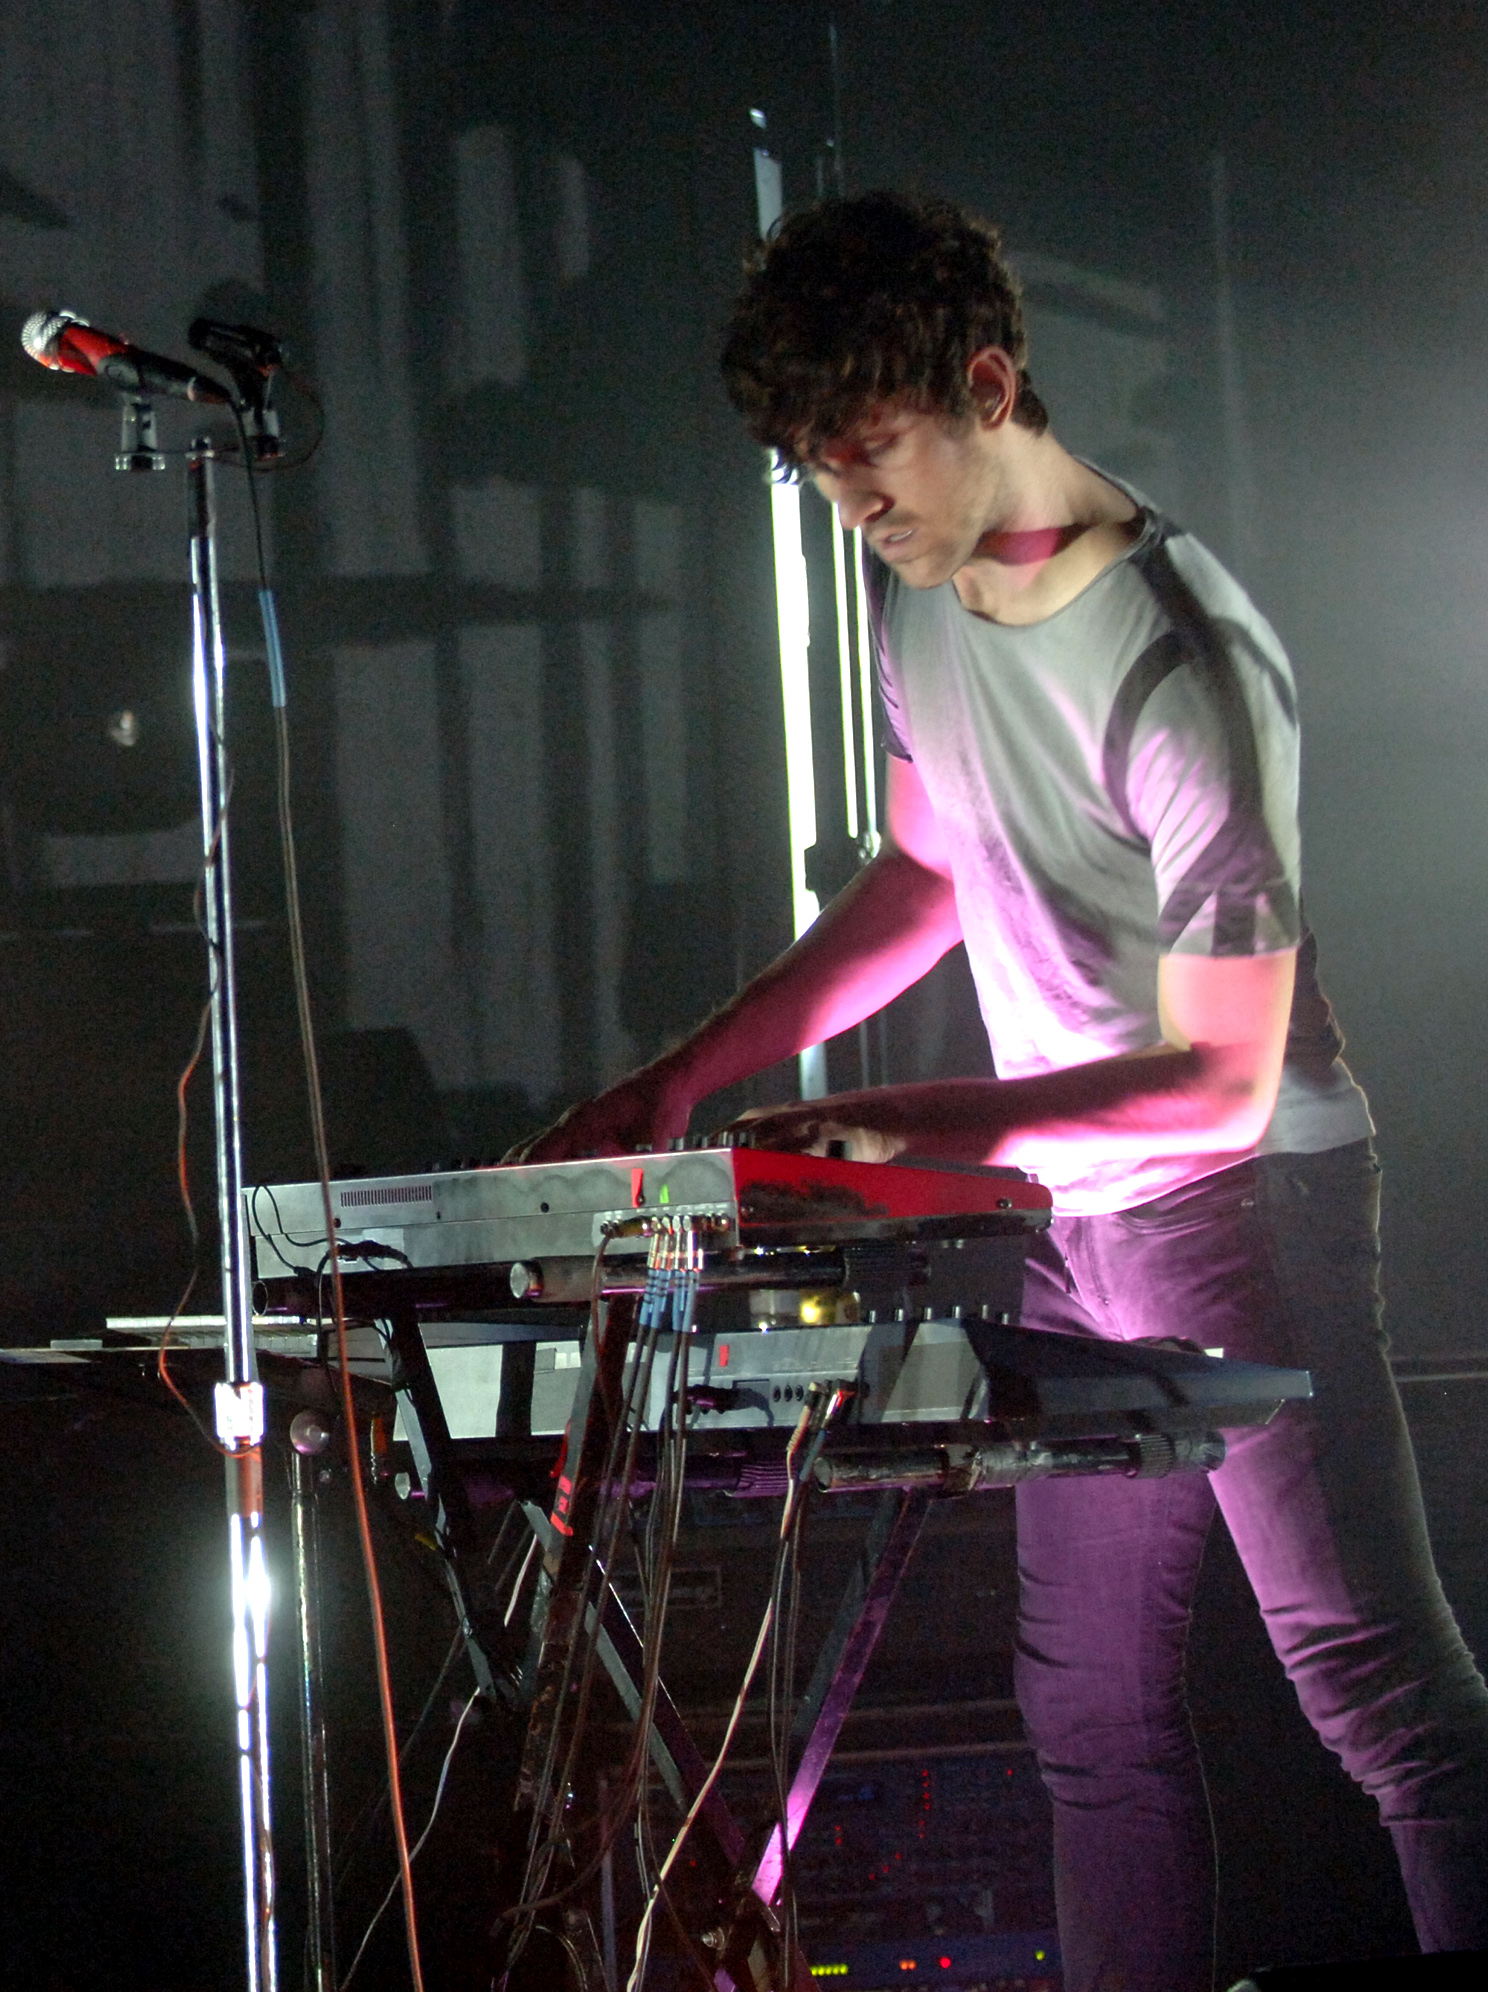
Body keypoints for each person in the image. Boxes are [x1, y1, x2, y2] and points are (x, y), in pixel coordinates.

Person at [519, 192, 1488, 1989]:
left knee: (1381, 1697)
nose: (850, 503)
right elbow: (931, 875)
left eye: (871, 453)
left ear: (987, 383)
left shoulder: (1181, 656)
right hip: (1069, 1209)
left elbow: (1218, 1077)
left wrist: (932, 1126)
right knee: (1089, 1725)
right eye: (818, 472)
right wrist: (679, 1079)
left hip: (1241, 1195)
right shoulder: (932, 608)